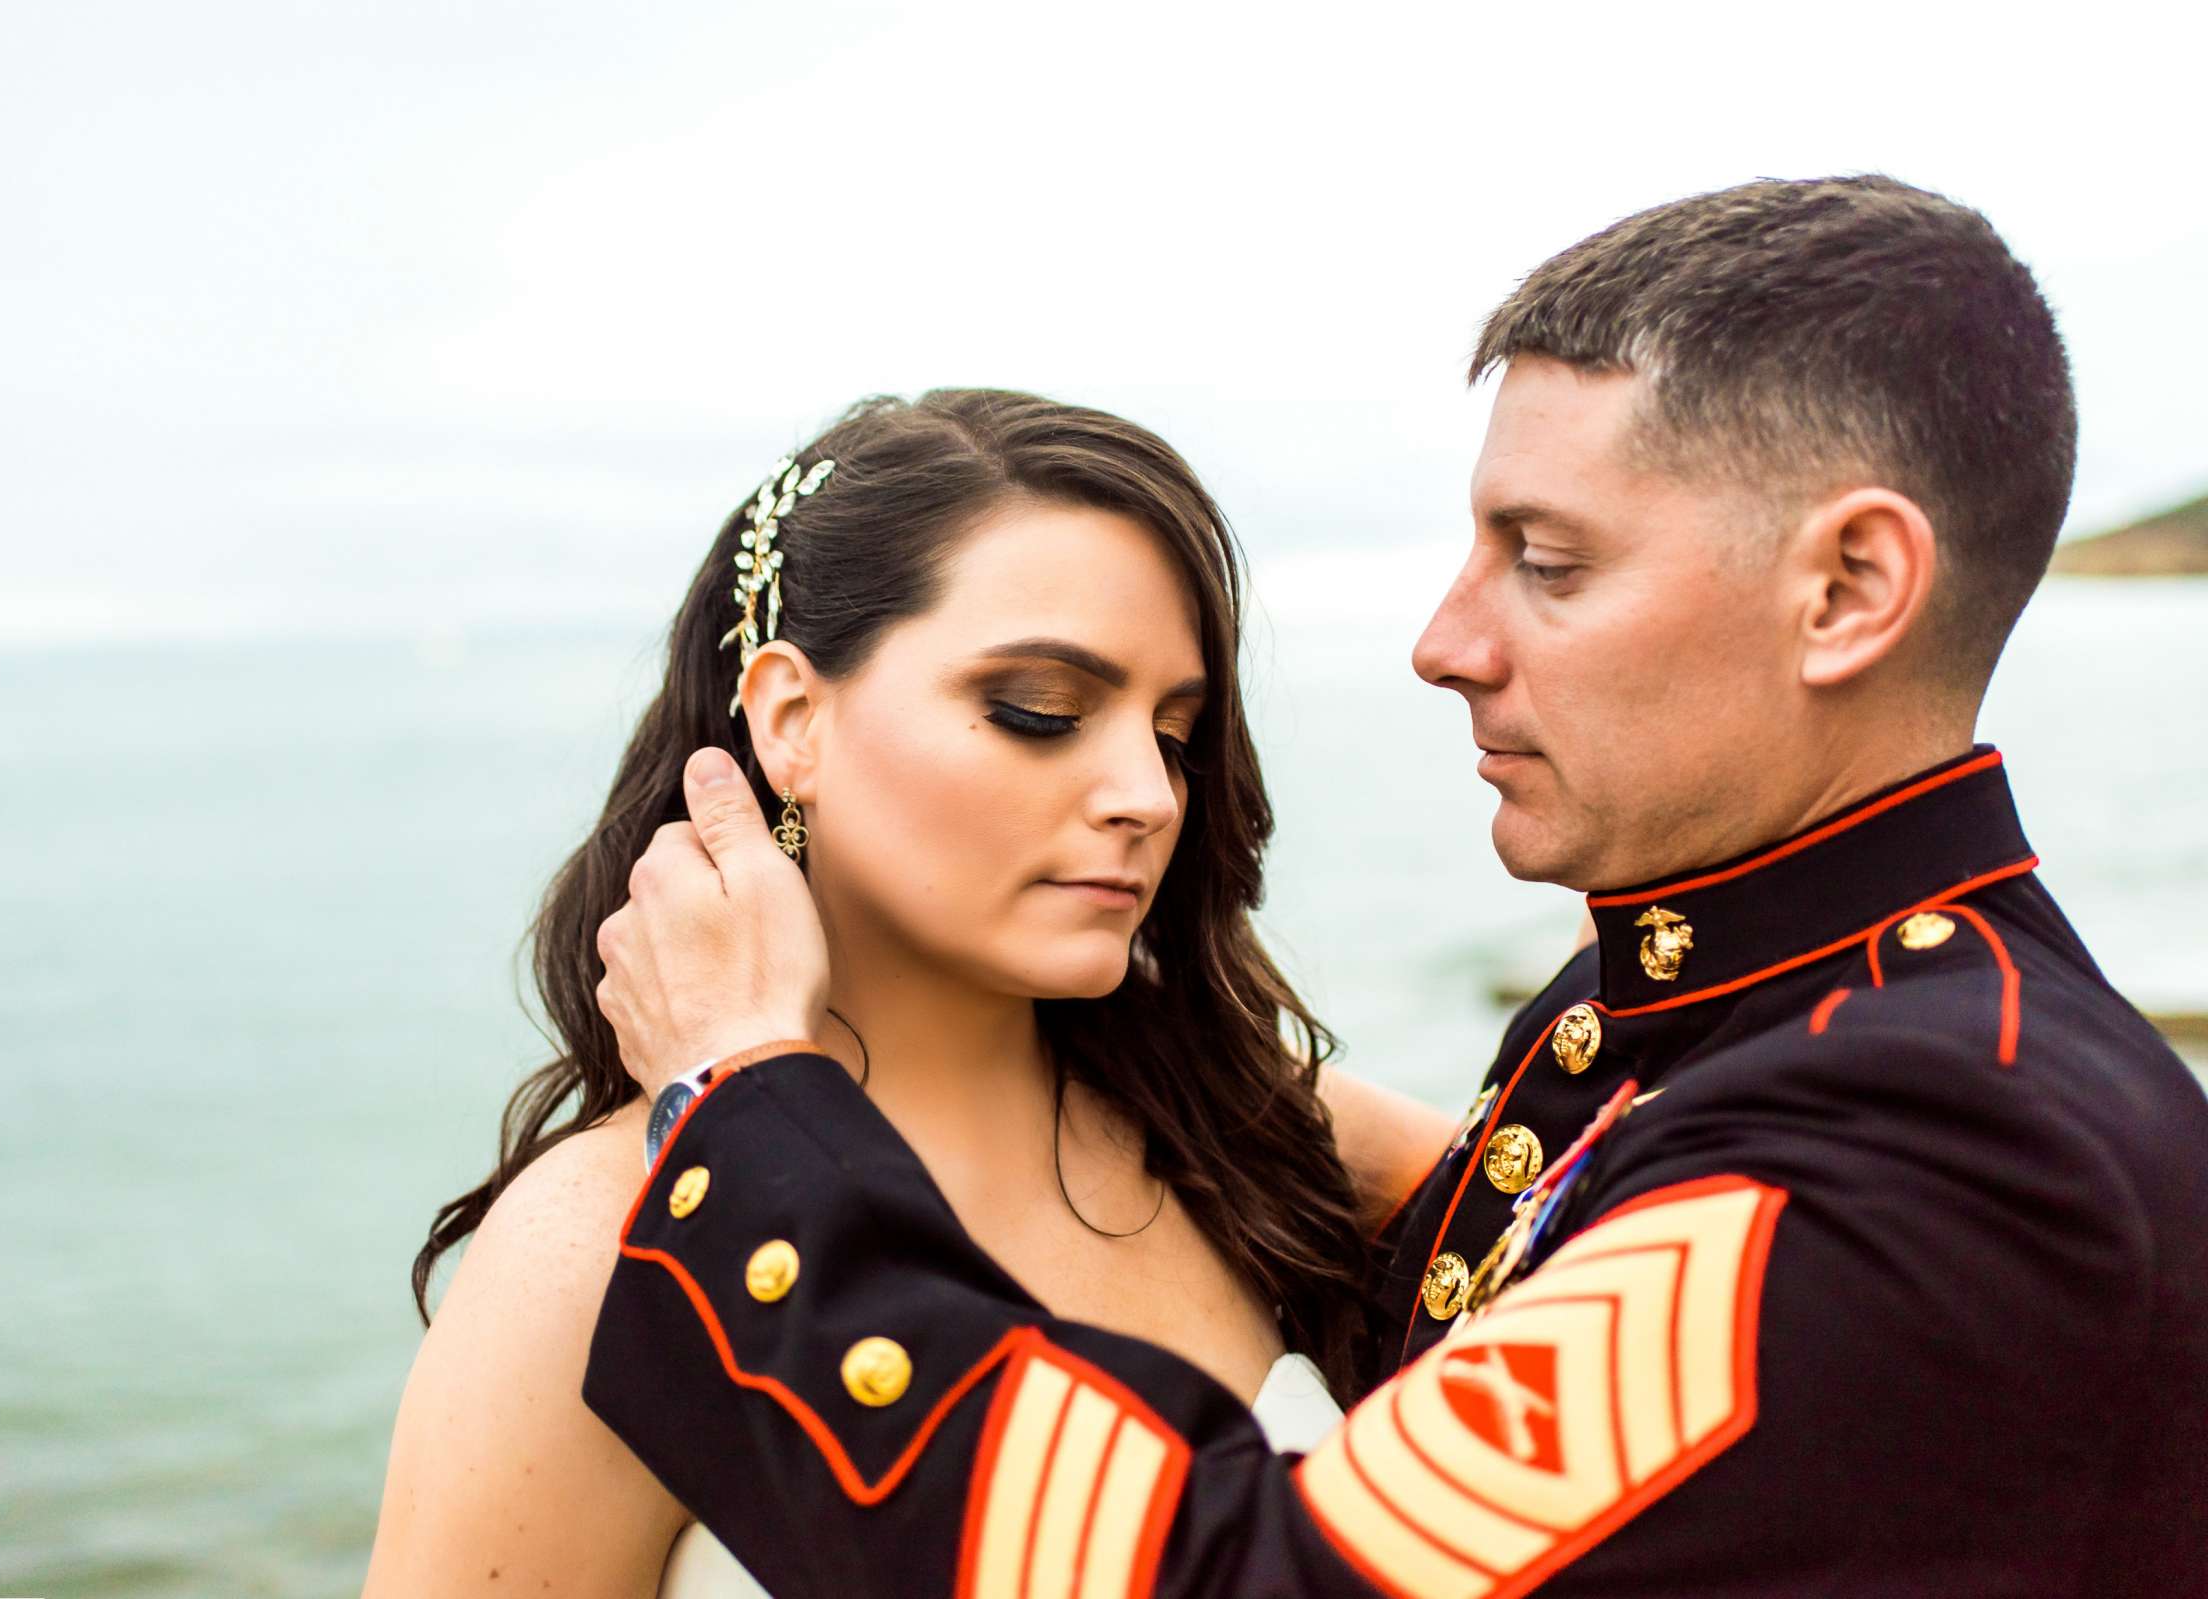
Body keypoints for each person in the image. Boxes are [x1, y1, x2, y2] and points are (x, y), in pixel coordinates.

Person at [584, 176, 2208, 1596]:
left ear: (1849, 588)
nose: (1447, 641)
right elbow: (1540, 1246)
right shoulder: (1736, 1005)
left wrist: (742, 1103)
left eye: (1548, 561)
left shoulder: (1940, 1149)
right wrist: (1104, 1030)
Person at [356, 390, 1456, 1598]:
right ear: (791, 721)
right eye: (1041, 711)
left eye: (1178, 733)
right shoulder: (601, 1246)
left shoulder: (1259, 1133)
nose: (1146, 791)